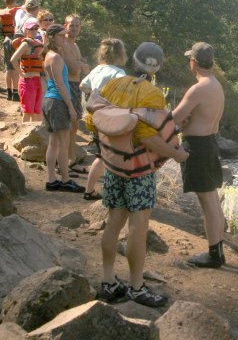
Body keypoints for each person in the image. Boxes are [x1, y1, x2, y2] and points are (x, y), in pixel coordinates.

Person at [87, 42, 188, 306]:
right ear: (158, 66)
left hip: (112, 165)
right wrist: (177, 155)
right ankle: (136, 287)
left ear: (133, 60)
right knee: (138, 227)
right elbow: (148, 138)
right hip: (139, 170)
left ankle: (108, 281)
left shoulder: (111, 85)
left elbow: (92, 120)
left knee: (113, 220)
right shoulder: (152, 94)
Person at [171, 42, 227, 268]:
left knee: (207, 201)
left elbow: (175, 118)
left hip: (198, 146)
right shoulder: (215, 85)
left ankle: (215, 255)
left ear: (193, 62)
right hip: (210, 143)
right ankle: (218, 250)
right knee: (212, 198)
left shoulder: (198, 88)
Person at [79, 38, 128, 201]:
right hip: (110, 117)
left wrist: (93, 92)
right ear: (121, 54)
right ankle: (111, 193)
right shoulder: (119, 73)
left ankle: (90, 190)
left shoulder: (97, 69)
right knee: (110, 155)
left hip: (94, 117)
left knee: (100, 155)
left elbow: (82, 85)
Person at [41, 24, 85, 194]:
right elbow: (60, 84)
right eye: (61, 35)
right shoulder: (56, 58)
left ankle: (51, 180)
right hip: (58, 102)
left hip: (49, 101)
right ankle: (65, 180)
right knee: (63, 143)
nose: (64, 38)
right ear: (52, 37)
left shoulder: (48, 56)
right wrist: (71, 107)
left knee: (53, 143)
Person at [62, 14, 90, 174]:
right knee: (67, 125)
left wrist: (80, 65)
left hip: (75, 85)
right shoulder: (64, 44)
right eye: (71, 25)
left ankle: (71, 160)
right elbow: (74, 69)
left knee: (74, 125)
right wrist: (80, 65)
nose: (74, 28)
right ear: (65, 26)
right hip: (67, 85)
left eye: (77, 26)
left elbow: (84, 68)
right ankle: (64, 162)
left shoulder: (75, 45)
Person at [10, 19, 44, 123]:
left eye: (36, 28)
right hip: (28, 81)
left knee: (36, 112)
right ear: (26, 31)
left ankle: (34, 136)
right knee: (27, 111)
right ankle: (23, 136)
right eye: (31, 29)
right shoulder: (26, 44)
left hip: (38, 80)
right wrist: (22, 74)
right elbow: (13, 59)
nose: (34, 31)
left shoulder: (38, 42)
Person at [0, 0, 20, 101]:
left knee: (8, 67)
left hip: (6, 39)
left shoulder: (2, 12)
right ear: (14, 1)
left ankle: (9, 92)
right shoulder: (16, 11)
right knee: (15, 67)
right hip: (14, 39)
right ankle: (15, 92)